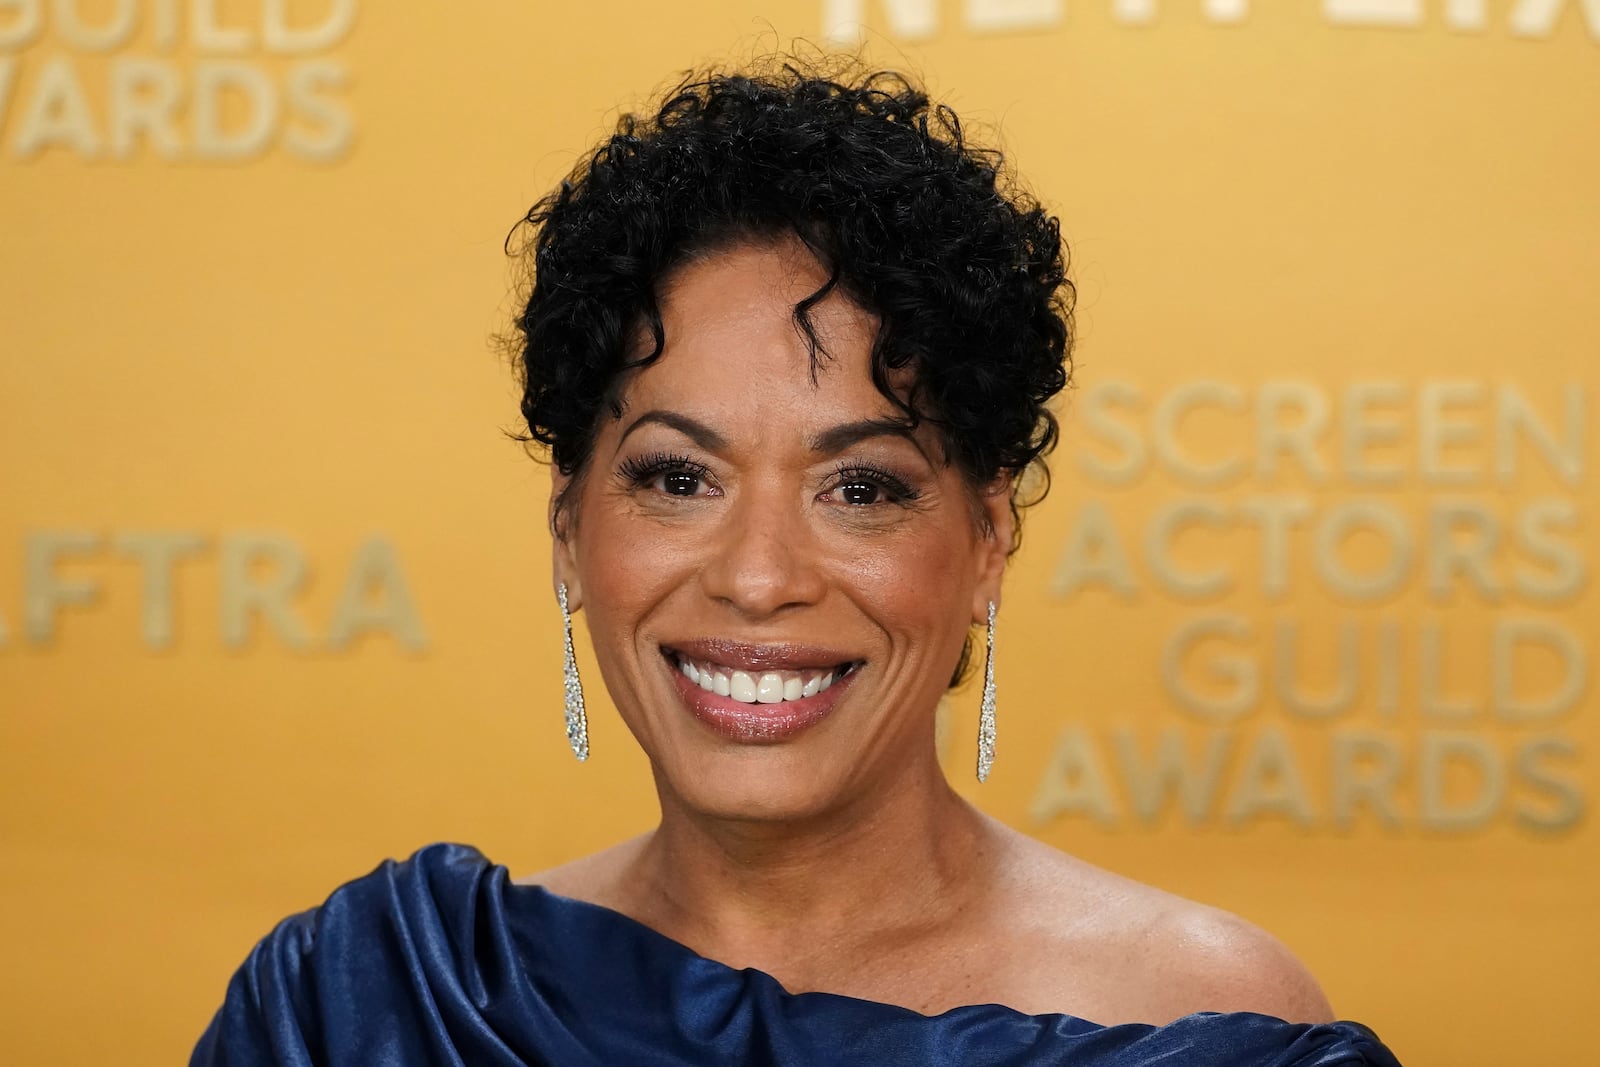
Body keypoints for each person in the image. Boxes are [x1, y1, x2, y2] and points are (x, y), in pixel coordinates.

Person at [192, 58, 1403, 1066]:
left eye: (860, 488)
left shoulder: (1191, 1022)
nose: (759, 574)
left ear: (988, 539)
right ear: (568, 527)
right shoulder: (374, 1004)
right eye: (678, 478)